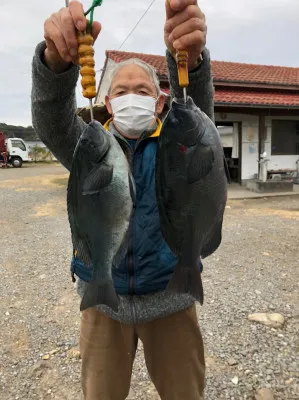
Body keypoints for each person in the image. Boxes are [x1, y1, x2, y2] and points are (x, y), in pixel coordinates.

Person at [31, 1, 214, 399]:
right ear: (108, 104)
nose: (133, 98)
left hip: (171, 301)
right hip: (103, 308)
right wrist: (56, 67)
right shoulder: (89, 148)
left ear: (160, 101)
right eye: (122, 91)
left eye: (143, 91)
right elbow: (50, 119)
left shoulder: (180, 142)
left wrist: (189, 61)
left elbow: (198, 112)